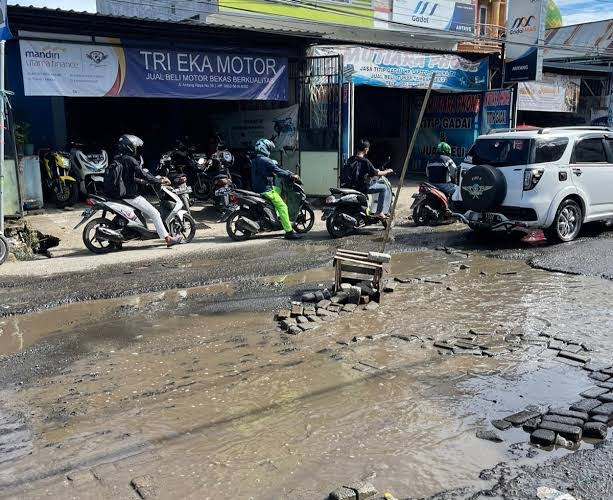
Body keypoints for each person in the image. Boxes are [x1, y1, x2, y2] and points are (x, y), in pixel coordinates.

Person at [116, 134, 183, 247]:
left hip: (120, 193)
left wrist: (143, 182)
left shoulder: (119, 158)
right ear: (130, 147)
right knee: (155, 213)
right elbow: (144, 174)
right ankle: (168, 238)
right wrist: (159, 181)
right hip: (130, 195)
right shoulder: (131, 160)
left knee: (139, 213)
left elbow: (128, 178)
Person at [251, 138, 302, 240]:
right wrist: (291, 176)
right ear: (264, 148)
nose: (269, 150)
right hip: (265, 189)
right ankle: (289, 232)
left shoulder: (255, 159)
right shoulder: (265, 160)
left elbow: (270, 170)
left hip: (257, 187)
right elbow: (278, 171)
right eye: (268, 148)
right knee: (283, 207)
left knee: (278, 189)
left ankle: (273, 214)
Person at [343, 139, 394, 219]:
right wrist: (388, 171)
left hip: (350, 186)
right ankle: (379, 212)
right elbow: (377, 173)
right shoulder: (365, 161)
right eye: (368, 148)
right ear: (366, 149)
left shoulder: (351, 159)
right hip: (362, 188)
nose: (368, 150)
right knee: (383, 188)